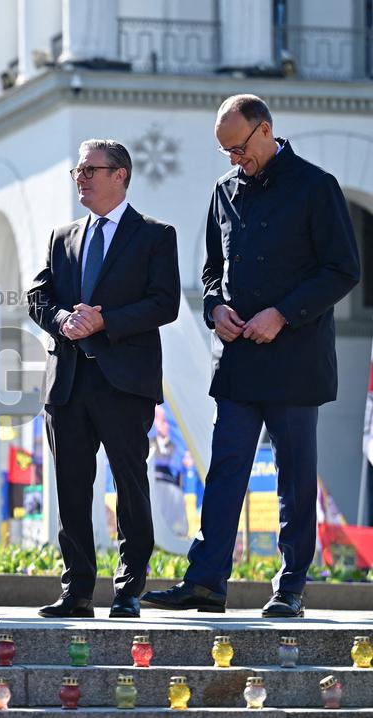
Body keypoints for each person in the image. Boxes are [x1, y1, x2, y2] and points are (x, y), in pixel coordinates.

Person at [142, 94, 360, 618]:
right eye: (226, 153)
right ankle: (207, 581)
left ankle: (290, 586)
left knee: (294, 478)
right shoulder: (224, 190)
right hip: (238, 358)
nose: (235, 160)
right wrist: (215, 307)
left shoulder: (316, 186)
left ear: (266, 130)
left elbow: (342, 269)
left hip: (296, 358)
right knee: (225, 470)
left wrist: (283, 314)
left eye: (239, 148)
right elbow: (212, 270)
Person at [28, 139, 180, 619]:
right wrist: (60, 320)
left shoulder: (155, 235)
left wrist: (105, 320)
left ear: (121, 175)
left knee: (130, 486)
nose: (82, 177)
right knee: (71, 488)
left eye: (91, 169)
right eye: (78, 169)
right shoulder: (63, 235)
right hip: (68, 381)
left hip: (123, 381)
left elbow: (164, 303)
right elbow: (38, 294)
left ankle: (128, 588)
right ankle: (75, 592)